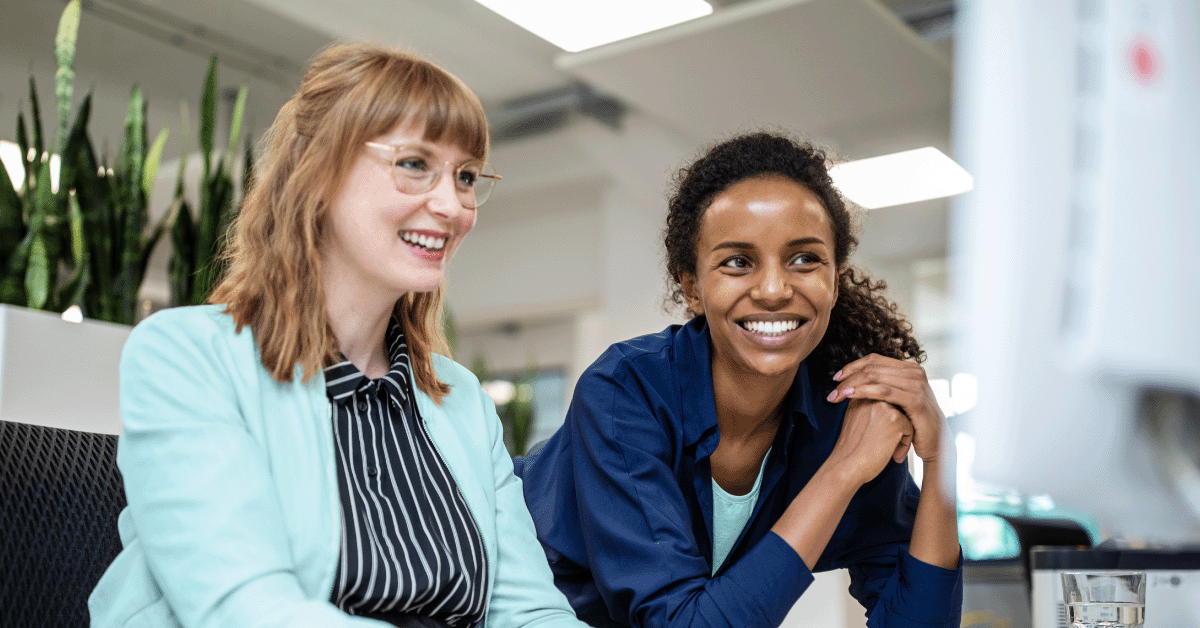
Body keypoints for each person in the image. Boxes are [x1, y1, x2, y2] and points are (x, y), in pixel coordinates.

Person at [88, 43, 589, 628]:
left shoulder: (461, 401)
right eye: (413, 164)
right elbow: (244, 610)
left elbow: (528, 611)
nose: (453, 205)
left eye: (467, 176)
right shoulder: (186, 355)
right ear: (318, 173)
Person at [514, 132, 963, 628]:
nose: (774, 289)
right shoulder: (626, 391)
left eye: (804, 259)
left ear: (835, 280)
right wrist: (842, 471)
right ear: (692, 287)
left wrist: (941, 456)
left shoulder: (845, 412)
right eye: (737, 262)